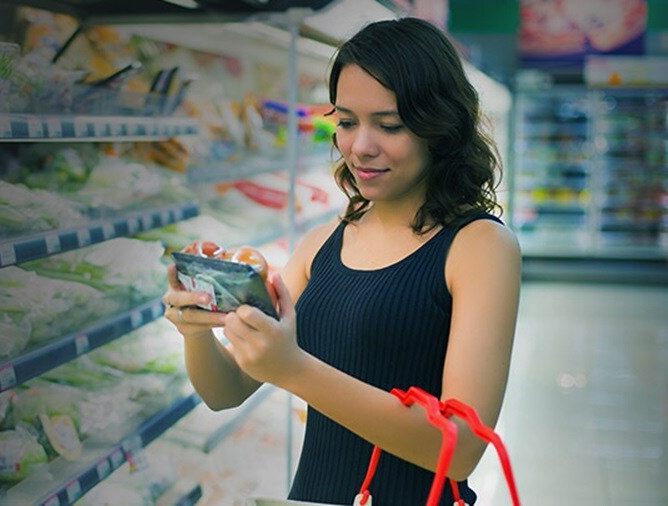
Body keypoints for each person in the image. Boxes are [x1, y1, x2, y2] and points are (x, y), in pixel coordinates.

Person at [162, 16, 521, 506]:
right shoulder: (323, 243)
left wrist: (292, 369)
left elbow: (460, 448)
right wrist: (196, 329)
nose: (360, 147)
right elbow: (227, 390)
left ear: (440, 126)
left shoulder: (479, 245)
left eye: (389, 125)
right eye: (347, 122)